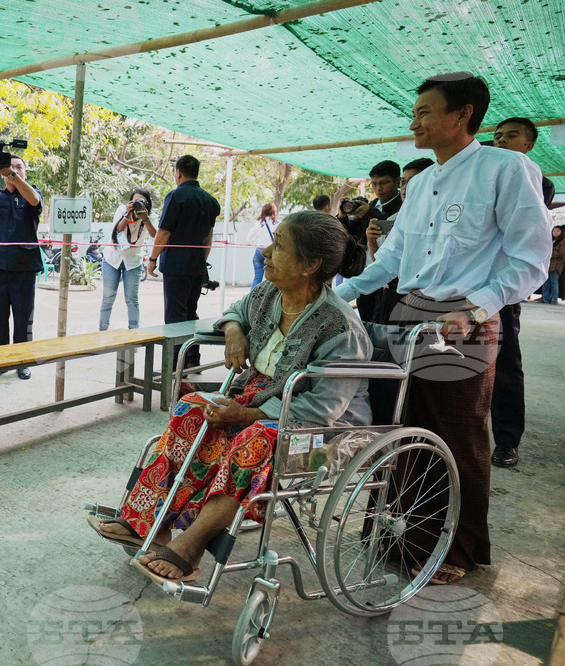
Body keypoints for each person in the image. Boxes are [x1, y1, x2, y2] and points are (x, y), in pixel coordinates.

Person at [335, 72, 551, 584]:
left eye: (426, 111)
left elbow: (532, 259)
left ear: (462, 115)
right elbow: (390, 260)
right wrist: (332, 297)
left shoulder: (507, 168)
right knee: (399, 428)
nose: (415, 120)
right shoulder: (424, 182)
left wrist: (476, 309)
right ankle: (395, 534)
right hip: (408, 313)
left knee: (455, 433)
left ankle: (454, 549)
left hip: (465, 321)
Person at [90, 211, 371, 583]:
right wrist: (235, 331)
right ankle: (150, 524)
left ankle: (191, 547)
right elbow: (236, 311)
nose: (266, 251)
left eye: (280, 245)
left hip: (322, 429)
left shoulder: (340, 329)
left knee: (256, 439)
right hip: (262, 401)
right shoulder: (271, 292)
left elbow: (321, 409)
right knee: (192, 410)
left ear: (310, 265)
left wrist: (243, 415)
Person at [489, 117, 555, 467]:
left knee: (504, 365)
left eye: (511, 136)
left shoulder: (537, 180)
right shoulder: (479, 175)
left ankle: (507, 441)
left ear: (528, 144)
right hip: (465, 287)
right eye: (497, 136)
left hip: (502, 290)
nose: (500, 141)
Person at [147, 155, 221, 369]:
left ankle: (174, 364)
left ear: (178, 173)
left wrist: (152, 259)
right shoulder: (210, 201)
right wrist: (202, 261)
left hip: (176, 266)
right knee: (191, 313)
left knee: (175, 317)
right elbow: (208, 237)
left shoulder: (176, 196)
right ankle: (191, 360)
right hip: (197, 265)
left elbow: (163, 232)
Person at [0, 148, 42, 380]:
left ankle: (22, 361)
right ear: (0, 173)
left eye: (19, 167)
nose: (13, 170)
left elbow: (34, 200)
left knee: (23, 318)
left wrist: (12, 174)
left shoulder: (32, 193)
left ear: (25, 172)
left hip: (24, 267)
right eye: (9, 167)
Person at [364, 157, 434, 324]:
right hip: (395, 294)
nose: (405, 188)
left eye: (413, 181)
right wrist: (372, 241)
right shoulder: (395, 219)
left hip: (431, 299)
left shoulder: (444, 219)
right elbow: (383, 262)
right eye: (404, 182)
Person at [98, 189, 157, 331]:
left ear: (147, 204)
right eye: (135, 201)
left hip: (133, 261)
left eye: (141, 201)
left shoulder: (151, 216)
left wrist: (146, 219)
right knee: (108, 297)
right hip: (113, 258)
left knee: (132, 300)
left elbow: (155, 234)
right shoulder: (122, 210)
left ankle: (134, 332)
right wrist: (126, 215)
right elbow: (117, 230)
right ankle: (102, 331)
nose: (137, 204)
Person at [353, 160, 402, 322]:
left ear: (397, 181)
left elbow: (388, 225)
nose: (378, 189)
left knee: (382, 325)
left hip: (388, 279)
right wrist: (343, 217)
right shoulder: (370, 205)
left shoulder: (402, 207)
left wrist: (370, 213)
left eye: (384, 183)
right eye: (374, 184)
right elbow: (354, 236)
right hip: (365, 273)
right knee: (365, 322)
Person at [246, 203, 279, 289]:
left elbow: (249, 238)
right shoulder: (278, 224)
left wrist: (251, 242)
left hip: (259, 252)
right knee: (273, 279)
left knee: (257, 279)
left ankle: (253, 299)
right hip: (271, 253)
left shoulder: (259, 223)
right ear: (274, 211)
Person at [541, 226, 565, 304]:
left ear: (561, 232)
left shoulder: (563, 242)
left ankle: (553, 298)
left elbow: (562, 254)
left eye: (558, 231)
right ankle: (545, 298)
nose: (555, 233)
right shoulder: (550, 241)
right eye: (554, 231)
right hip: (547, 265)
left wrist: (549, 254)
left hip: (556, 265)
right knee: (545, 283)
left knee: (554, 282)